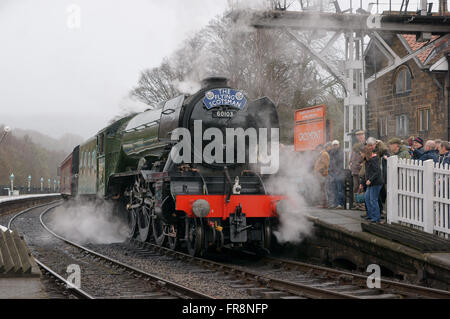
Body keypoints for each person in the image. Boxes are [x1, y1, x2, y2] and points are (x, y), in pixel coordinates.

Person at [360, 146, 384, 223]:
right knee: (367, 198)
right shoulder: (367, 160)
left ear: (365, 153)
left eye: (361, 153)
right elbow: (366, 173)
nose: (361, 155)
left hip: (376, 183)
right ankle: (370, 215)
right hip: (370, 183)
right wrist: (362, 183)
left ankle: (376, 217)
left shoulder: (374, 160)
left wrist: (370, 180)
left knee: (373, 200)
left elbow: (377, 172)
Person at [349, 130, 366, 210]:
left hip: (362, 170)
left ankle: (362, 204)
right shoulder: (355, 145)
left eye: (361, 135)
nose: (359, 136)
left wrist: (363, 163)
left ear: (364, 135)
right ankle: (357, 204)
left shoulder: (366, 144)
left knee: (362, 187)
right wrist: (350, 162)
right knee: (355, 187)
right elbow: (352, 156)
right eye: (358, 135)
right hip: (355, 170)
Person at [328, 140, 345, 209]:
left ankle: (340, 204)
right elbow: (331, 162)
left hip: (339, 172)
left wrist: (337, 171)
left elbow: (340, 161)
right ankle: (335, 203)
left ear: (339, 145)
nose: (335, 146)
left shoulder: (341, 152)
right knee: (334, 189)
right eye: (334, 145)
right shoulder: (331, 152)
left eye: (336, 145)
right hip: (333, 172)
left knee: (339, 189)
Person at [314, 143, 330, 208]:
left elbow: (326, 164)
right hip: (320, 174)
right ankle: (323, 203)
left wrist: (322, 172)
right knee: (321, 189)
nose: (317, 149)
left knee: (323, 189)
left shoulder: (324, 154)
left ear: (320, 148)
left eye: (317, 148)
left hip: (322, 174)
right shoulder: (321, 154)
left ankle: (324, 204)